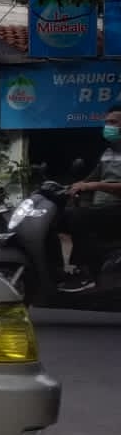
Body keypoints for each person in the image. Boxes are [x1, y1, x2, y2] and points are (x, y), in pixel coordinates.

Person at [58, 103, 121, 293]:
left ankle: (86, 272)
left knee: (79, 217)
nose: (108, 126)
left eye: (114, 122)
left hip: (118, 208)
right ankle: (56, 268)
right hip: (103, 209)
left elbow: (93, 184)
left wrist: (92, 186)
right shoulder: (108, 152)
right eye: (107, 122)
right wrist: (65, 188)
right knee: (61, 215)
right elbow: (90, 178)